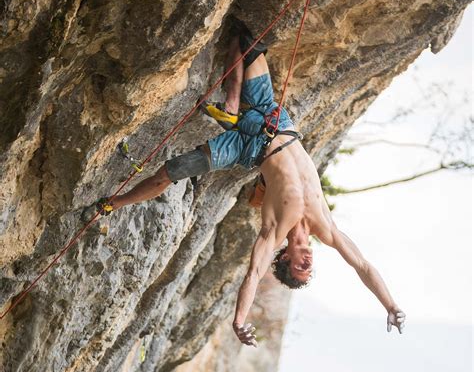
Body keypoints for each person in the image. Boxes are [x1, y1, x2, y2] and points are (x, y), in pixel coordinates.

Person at [90, 19, 406, 346]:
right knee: (247, 41)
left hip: (249, 148)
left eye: (300, 267)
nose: (307, 262)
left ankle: (113, 203)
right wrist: (391, 304)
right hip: (274, 120)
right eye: (308, 268)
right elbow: (364, 265)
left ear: (284, 259)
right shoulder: (326, 227)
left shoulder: (274, 230)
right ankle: (231, 104)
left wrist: (239, 320)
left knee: (170, 171)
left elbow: (253, 274)